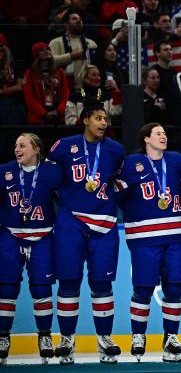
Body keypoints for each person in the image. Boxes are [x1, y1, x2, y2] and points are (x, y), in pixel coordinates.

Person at [47, 103, 125, 364]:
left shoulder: (115, 149)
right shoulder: (64, 146)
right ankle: (67, 339)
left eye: (105, 118)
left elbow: (121, 183)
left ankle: (105, 338)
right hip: (71, 222)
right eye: (98, 118)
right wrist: (65, 198)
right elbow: (47, 177)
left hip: (104, 223)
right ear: (85, 120)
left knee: (102, 283)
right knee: (68, 281)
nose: (104, 123)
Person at [115, 123, 181, 362]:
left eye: (165, 133)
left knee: (174, 287)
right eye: (158, 134)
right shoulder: (131, 164)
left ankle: (171, 338)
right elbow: (118, 195)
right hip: (144, 238)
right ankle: (138, 336)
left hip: (175, 237)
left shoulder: (176, 160)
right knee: (144, 288)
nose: (163, 136)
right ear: (146, 139)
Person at [0, 134, 62, 365]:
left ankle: (44, 336)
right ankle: (3, 337)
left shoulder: (51, 172)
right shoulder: (4, 171)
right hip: (11, 235)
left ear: (36, 149)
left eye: (22, 145)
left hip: (42, 236)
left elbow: (66, 198)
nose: (17, 148)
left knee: (41, 287)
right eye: (15, 145)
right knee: (6, 286)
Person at [23, 43, 70, 125]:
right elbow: (29, 97)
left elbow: (66, 94)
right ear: (36, 54)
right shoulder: (29, 74)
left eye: (48, 49)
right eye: (42, 50)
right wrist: (44, 114)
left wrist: (59, 111)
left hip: (58, 116)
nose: (46, 51)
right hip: (38, 118)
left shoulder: (60, 72)